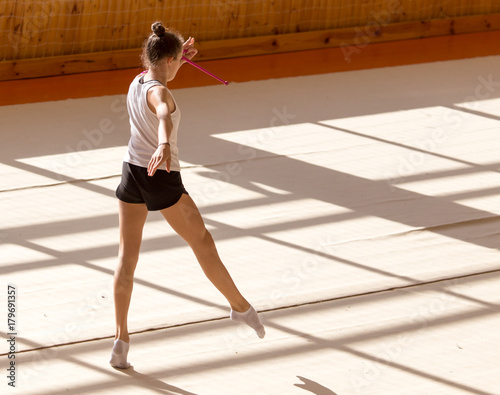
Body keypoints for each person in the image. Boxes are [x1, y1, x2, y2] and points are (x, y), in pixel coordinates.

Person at [109, 22, 265, 369]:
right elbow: (162, 112)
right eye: (179, 60)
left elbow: (158, 76)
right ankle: (240, 307)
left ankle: (120, 340)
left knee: (126, 258)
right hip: (160, 175)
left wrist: (178, 54)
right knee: (203, 242)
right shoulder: (161, 93)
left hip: (131, 171)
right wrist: (164, 143)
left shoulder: (139, 80)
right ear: (170, 60)